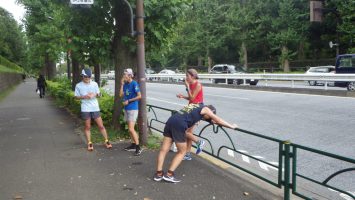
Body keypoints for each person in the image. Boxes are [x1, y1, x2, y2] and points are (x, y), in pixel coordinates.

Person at [153, 104, 238, 183]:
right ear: (211, 111)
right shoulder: (206, 109)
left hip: (171, 121)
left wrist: (210, 120)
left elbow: (193, 116)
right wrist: (231, 126)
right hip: (179, 124)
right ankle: (169, 175)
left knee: (163, 150)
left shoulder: (196, 106)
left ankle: (159, 174)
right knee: (182, 152)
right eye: (210, 116)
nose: (208, 118)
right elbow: (218, 120)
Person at [74, 68, 112, 151]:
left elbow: (99, 94)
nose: (87, 78)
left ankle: (106, 141)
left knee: (101, 125)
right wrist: (84, 96)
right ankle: (89, 142)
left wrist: (94, 94)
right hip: (85, 108)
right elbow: (76, 97)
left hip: (95, 107)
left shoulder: (94, 84)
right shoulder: (78, 85)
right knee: (87, 126)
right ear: (82, 76)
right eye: (86, 77)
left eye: (89, 77)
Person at [176, 69, 205, 160]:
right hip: (191, 108)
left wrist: (187, 86)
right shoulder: (192, 84)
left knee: (185, 131)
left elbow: (192, 98)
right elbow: (191, 97)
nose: (186, 78)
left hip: (196, 109)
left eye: (187, 76)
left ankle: (199, 142)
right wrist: (183, 96)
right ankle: (188, 154)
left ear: (192, 76)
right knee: (189, 132)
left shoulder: (198, 85)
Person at [119, 68, 142, 156]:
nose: (124, 76)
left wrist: (129, 101)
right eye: (123, 75)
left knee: (131, 129)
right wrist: (121, 84)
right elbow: (121, 95)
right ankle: (133, 144)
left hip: (133, 108)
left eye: (125, 75)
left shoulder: (134, 83)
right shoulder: (125, 84)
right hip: (127, 108)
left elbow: (140, 96)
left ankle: (138, 147)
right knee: (130, 129)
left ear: (130, 75)